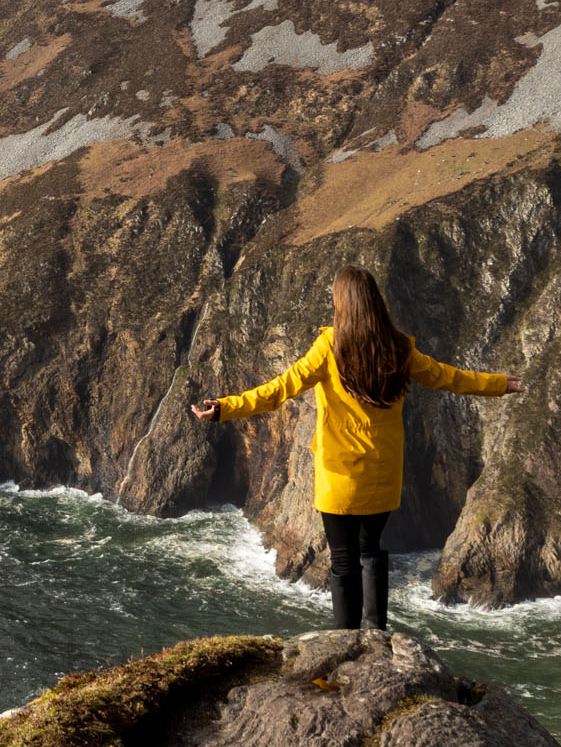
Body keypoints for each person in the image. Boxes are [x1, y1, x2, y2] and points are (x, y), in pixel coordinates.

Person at [190, 266, 521, 631]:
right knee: (373, 551)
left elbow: (278, 390)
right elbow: (451, 378)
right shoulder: (400, 349)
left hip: (339, 476)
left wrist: (224, 408)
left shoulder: (329, 348)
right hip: (382, 474)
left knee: (343, 559)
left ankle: (346, 638)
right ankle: (376, 631)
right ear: (374, 301)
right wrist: (500, 384)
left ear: (341, 303)